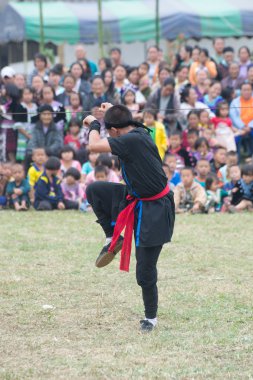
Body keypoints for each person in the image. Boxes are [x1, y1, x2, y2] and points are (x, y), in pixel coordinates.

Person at [84, 103, 175, 332]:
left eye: (107, 128)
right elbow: (125, 115)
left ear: (114, 131)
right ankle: (112, 237)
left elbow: (94, 146)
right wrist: (112, 109)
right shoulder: (136, 130)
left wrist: (94, 124)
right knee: (95, 191)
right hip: (135, 196)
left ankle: (151, 318)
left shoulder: (131, 140)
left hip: (156, 208)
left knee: (144, 270)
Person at [14, 87, 38, 162]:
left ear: (32, 95)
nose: (28, 96)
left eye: (29, 94)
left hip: (34, 132)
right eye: (25, 94)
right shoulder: (20, 107)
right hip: (23, 133)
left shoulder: (36, 106)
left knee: (34, 151)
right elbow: (17, 124)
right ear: (22, 95)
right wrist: (27, 135)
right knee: (23, 152)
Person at [229, 82, 253, 158]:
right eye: (244, 90)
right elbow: (233, 116)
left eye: (248, 90)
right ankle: (238, 159)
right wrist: (243, 126)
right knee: (235, 139)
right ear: (240, 91)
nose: (246, 92)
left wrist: (249, 126)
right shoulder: (235, 102)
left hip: (251, 128)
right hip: (238, 128)